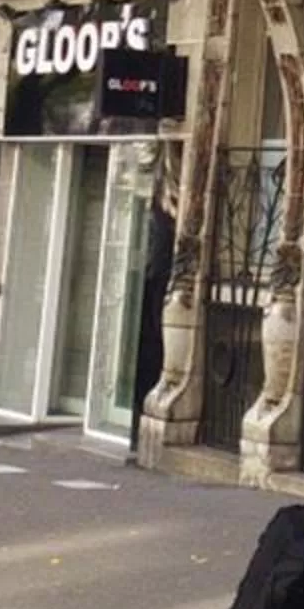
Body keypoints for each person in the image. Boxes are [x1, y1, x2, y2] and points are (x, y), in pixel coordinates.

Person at [127, 168, 177, 462]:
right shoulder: (159, 222)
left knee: (151, 352)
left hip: (154, 295)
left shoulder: (160, 223)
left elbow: (156, 261)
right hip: (152, 295)